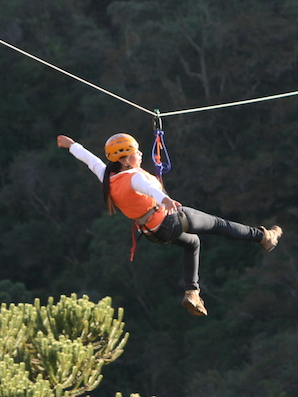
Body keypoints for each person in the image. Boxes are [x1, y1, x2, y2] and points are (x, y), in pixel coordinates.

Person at [57, 132, 282, 317]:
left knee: (192, 243)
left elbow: (89, 159)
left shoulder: (107, 176)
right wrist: (164, 200)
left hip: (153, 232)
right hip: (169, 219)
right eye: (136, 152)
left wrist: (70, 145)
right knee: (219, 224)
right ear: (125, 159)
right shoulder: (133, 177)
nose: (141, 154)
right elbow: (150, 190)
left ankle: (192, 292)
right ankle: (264, 237)